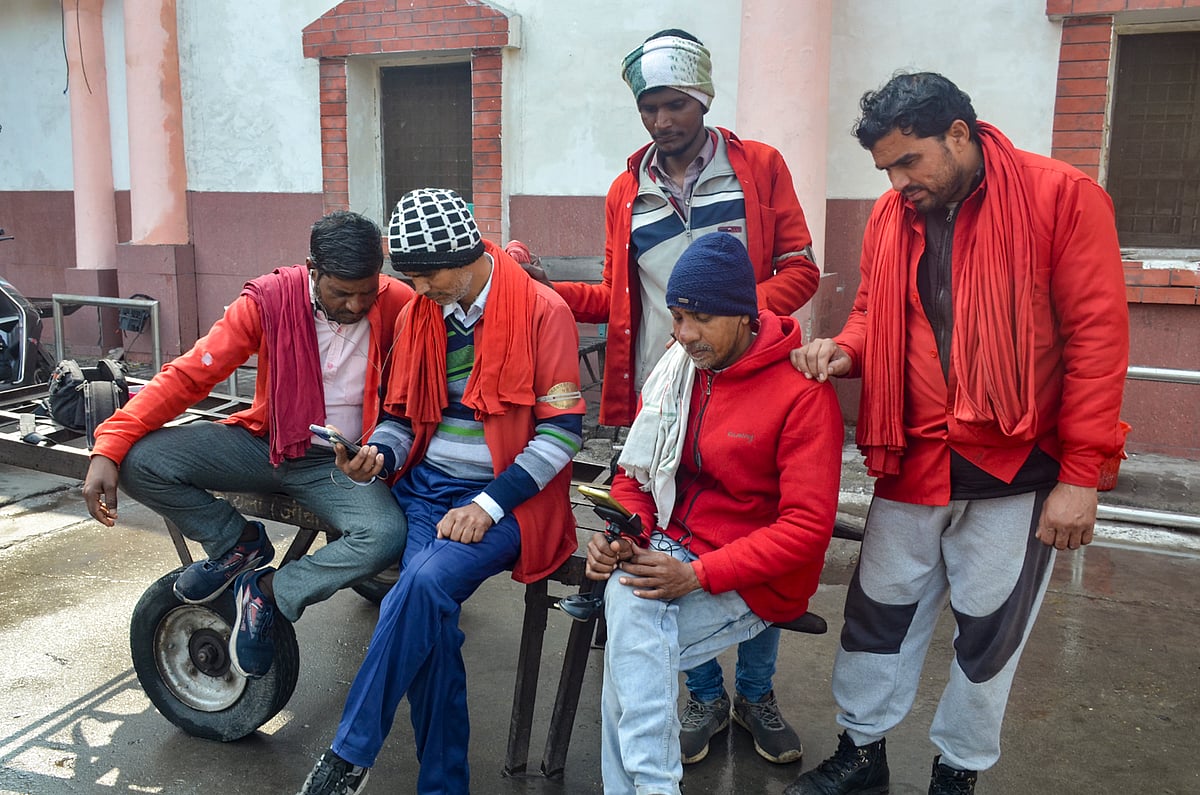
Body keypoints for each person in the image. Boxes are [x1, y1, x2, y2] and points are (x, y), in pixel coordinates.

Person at [784, 72, 1129, 795]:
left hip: (1017, 465)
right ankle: (861, 751)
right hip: (911, 456)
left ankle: (957, 771)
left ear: (960, 134)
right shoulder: (892, 215)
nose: (898, 181)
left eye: (910, 161)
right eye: (885, 169)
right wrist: (844, 350)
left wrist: (1080, 477)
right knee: (876, 616)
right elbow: (877, 315)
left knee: (989, 631)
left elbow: (1098, 340)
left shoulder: (1061, 197)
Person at [540, 27, 822, 766]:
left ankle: (755, 690)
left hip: (748, 370)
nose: (661, 121)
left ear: (701, 98)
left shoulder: (758, 167)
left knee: (750, 520)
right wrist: (549, 292)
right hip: (665, 387)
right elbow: (619, 294)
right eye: (647, 108)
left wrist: (738, 319)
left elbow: (800, 266)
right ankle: (703, 690)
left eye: (673, 104)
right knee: (663, 525)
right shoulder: (625, 189)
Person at [295, 188, 586, 795]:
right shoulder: (420, 315)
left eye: (429, 276)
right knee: (430, 624)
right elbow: (401, 417)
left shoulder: (541, 310)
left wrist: (486, 506)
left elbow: (562, 437)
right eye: (412, 278)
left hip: (510, 501)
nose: (418, 290)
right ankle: (444, 786)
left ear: (468, 252)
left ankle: (350, 754)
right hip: (426, 489)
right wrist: (377, 455)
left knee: (421, 586)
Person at [82, 210, 413, 679]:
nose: (357, 305)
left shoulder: (398, 302)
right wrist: (108, 445)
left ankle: (270, 591)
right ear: (312, 270)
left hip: (339, 464)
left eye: (367, 291)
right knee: (139, 461)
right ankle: (237, 544)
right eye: (342, 293)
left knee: (385, 535)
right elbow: (191, 375)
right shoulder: (268, 302)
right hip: (267, 442)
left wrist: (378, 450)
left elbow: (416, 395)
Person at [592, 231, 843, 795]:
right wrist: (623, 535)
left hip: (755, 578)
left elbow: (805, 532)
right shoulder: (678, 372)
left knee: (631, 654)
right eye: (677, 316)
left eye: (700, 318)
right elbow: (638, 474)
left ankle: (648, 787)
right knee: (631, 632)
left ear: (745, 316)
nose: (683, 335)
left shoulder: (803, 393)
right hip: (676, 547)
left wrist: (696, 575)